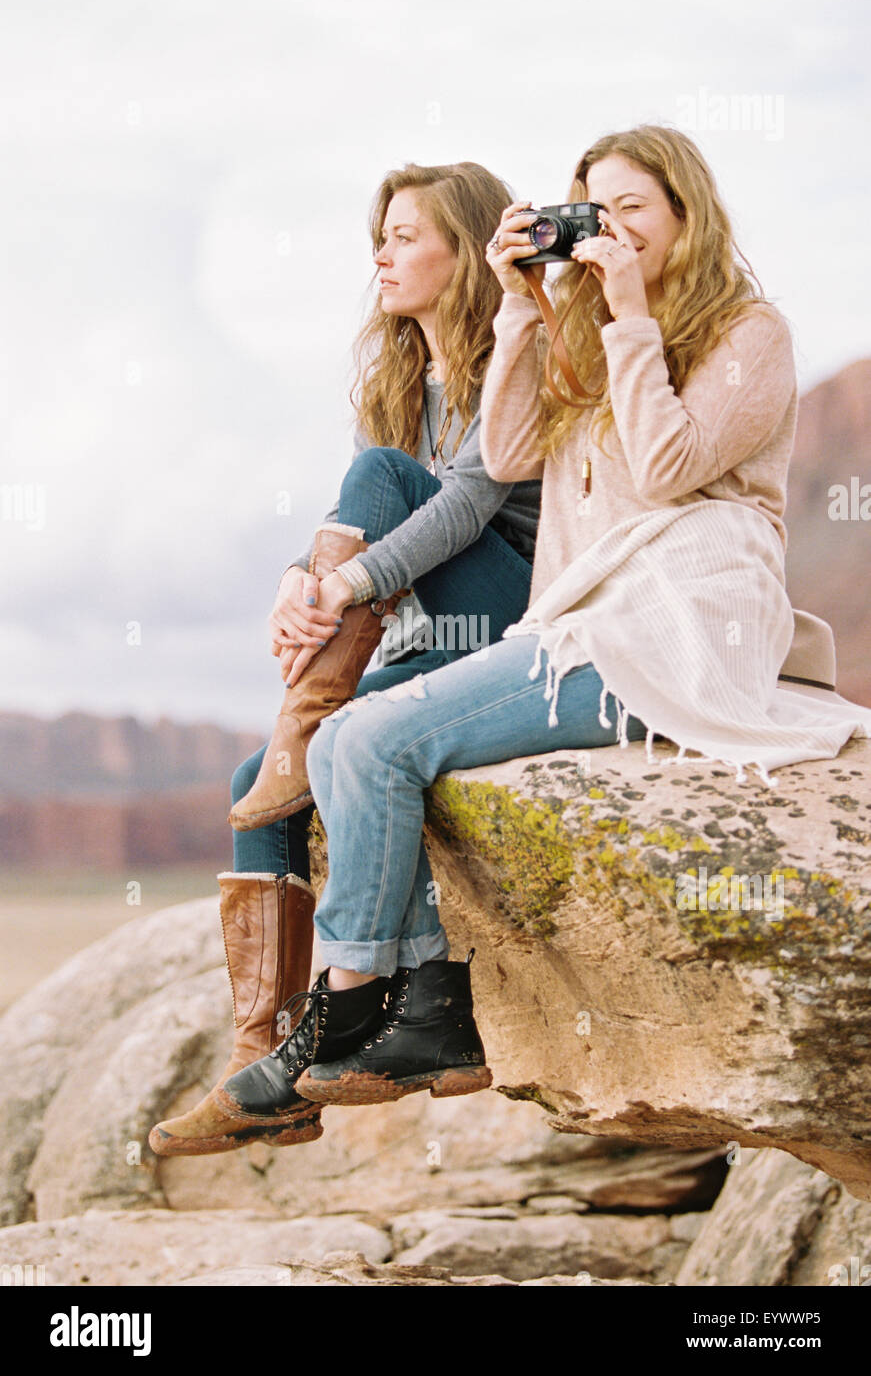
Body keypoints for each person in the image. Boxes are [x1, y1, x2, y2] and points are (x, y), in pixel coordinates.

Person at [204, 124, 871, 1133]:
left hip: (672, 628)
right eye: (592, 207)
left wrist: (632, 316)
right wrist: (523, 309)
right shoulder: (585, 335)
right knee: (346, 736)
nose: (611, 227)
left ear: (687, 216)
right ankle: (428, 1008)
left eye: (633, 206)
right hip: (581, 623)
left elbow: (665, 466)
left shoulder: (749, 332)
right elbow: (509, 450)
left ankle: (341, 1008)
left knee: (374, 736)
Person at [148, 161, 542, 1157]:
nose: (382, 253)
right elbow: (352, 529)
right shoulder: (399, 385)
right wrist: (299, 577)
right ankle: (265, 1054)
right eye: (382, 234)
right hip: (420, 634)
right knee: (258, 785)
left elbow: (458, 512)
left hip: (507, 621)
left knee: (374, 481)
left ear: (467, 251)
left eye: (407, 234)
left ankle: (304, 721)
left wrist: (342, 588)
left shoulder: (519, 354)